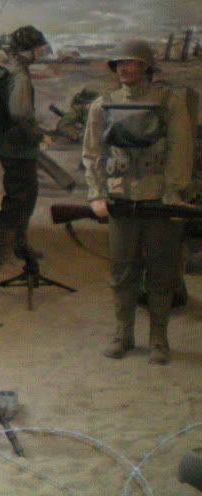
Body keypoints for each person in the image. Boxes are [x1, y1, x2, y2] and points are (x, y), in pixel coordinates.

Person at [83, 40, 194, 364]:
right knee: (122, 271)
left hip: (159, 199)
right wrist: (97, 193)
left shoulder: (169, 102)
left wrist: (174, 191)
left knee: (161, 271)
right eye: (120, 64)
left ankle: (159, 337)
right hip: (120, 199)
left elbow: (181, 149)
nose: (125, 69)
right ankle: (123, 333)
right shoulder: (103, 105)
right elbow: (92, 153)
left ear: (146, 67)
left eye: (131, 63)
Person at [0, 25, 50, 265]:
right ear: (27, 49)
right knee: (20, 198)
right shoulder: (20, 76)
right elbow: (20, 113)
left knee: (23, 195)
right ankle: (5, 249)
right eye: (38, 48)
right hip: (18, 148)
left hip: (13, 145)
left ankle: (18, 245)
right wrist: (38, 135)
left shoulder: (10, 69)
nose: (41, 53)